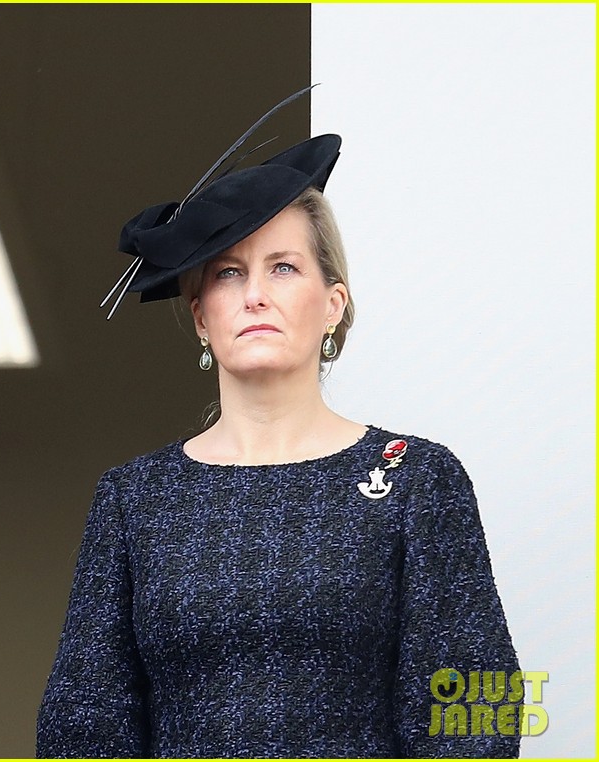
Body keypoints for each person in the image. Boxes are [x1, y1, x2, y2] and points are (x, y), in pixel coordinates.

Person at [36, 91, 520, 757]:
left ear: (332, 304)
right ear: (202, 315)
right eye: (229, 273)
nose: (255, 293)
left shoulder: (417, 478)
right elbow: (81, 725)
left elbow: (478, 704)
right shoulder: (133, 499)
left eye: (283, 267)